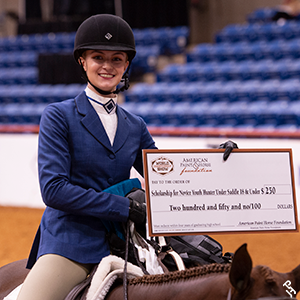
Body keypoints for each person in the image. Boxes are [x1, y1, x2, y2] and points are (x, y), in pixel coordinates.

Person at [16, 14, 236, 300]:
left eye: (116, 59)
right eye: (98, 57)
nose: (107, 66)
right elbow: (54, 190)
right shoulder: (58, 116)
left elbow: (167, 178)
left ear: (126, 65)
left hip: (126, 243)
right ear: (83, 61)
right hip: (72, 241)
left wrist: (215, 164)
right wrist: (125, 208)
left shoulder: (135, 125)